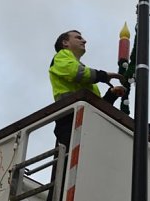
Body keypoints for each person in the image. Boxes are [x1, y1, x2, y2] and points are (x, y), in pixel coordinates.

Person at [47, 30, 125, 200]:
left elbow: (96, 107)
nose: (84, 41)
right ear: (65, 43)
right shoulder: (61, 57)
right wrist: (104, 75)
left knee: (78, 172)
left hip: (85, 122)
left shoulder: (84, 74)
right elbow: (76, 73)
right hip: (70, 120)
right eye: (78, 37)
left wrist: (110, 96)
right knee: (66, 173)